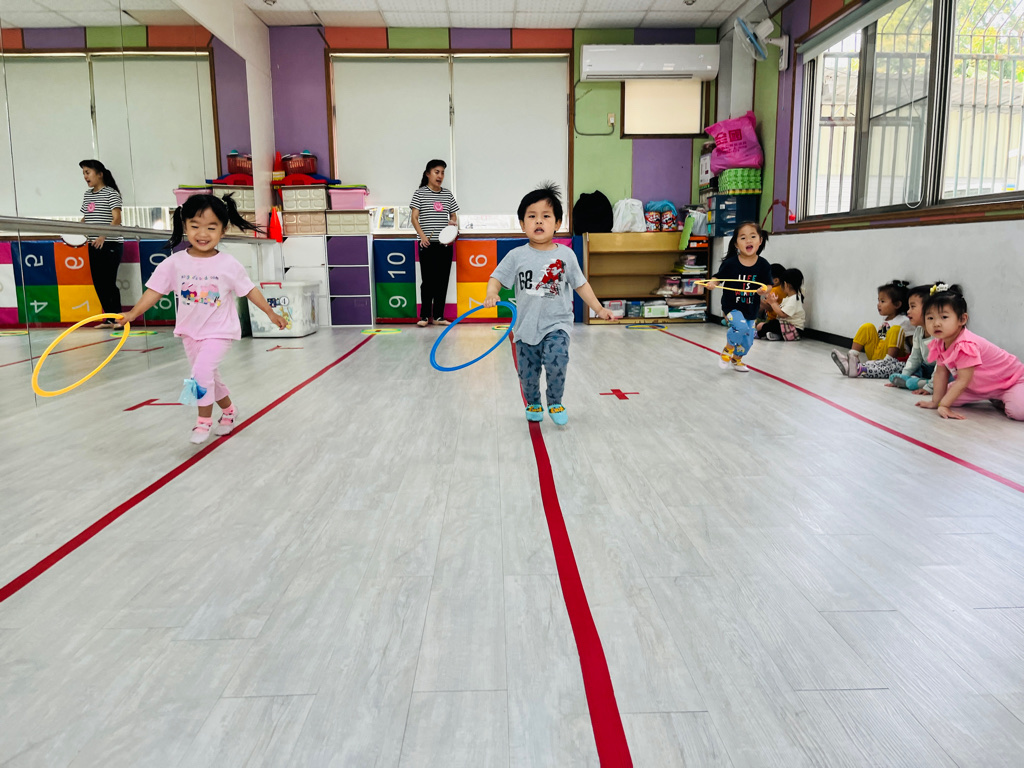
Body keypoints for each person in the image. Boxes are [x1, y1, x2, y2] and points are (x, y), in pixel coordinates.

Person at [115, 194, 287, 443]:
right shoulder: (175, 263)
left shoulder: (228, 264)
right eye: (195, 226)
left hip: (220, 331)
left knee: (202, 373)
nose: (202, 234)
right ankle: (229, 411)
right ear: (185, 226)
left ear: (223, 230)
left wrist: (270, 312)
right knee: (209, 377)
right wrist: (132, 314)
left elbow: (249, 290)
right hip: (190, 332)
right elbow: (154, 291)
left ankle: (203, 422)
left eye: (211, 227)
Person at [484, 183, 613, 424]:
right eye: (532, 216)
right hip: (525, 328)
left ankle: (555, 402)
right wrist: (492, 293)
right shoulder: (516, 256)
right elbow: (496, 278)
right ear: (522, 224)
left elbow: (581, 285)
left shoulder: (566, 255)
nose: (539, 221)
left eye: (546, 216)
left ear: (557, 223)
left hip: (557, 325)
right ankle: (533, 403)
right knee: (527, 374)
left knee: (557, 361)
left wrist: (599, 309)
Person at [916, 286, 1024, 421]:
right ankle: (996, 398)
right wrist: (936, 402)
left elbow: (963, 380)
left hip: (1011, 381)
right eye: (930, 318)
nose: (936, 323)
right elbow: (941, 373)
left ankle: (1004, 396)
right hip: (977, 387)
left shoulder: (965, 345)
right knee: (945, 396)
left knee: (1019, 412)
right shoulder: (940, 343)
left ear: (962, 319)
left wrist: (943, 405)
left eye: (944, 317)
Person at [705, 221, 772, 371]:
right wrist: (713, 283)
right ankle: (728, 349)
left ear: (760, 241)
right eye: (743, 238)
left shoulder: (763, 265)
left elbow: (768, 285)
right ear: (736, 244)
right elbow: (718, 277)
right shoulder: (730, 264)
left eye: (753, 236)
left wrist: (764, 290)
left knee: (748, 340)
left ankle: (737, 359)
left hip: (751, 308)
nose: (748, 240)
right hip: (732, 306)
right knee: (740, 327)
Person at [410, 159, 459, 328]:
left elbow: (453, 215)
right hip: (427, 244)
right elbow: (414, 218)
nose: (440, 176)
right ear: (428, 174)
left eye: (443, 173)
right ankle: (424, 316)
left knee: (442, 281)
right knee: (428, 282)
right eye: (437, 172)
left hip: (445, 245)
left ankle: (438, 316)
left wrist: (452, 223)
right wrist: (422, 236)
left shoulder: (447, 194)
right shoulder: (420, 193)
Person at [831, 280, 912, 378]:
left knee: (896, 329)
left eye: (882, 301)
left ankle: (886, 362)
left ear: (897, 304)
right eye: (878, 301)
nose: (878, 304)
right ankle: (852, 359)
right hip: (877, 354)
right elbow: (881, 339)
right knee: (867, 327)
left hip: (894, 360)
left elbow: (913, 342)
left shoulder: (904, 320)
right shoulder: (886, 320)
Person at [79, 160, 124, 328]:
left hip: (110, 244)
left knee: (109, 282)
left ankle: (118, 318)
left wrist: (103, 236)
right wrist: (74, 230)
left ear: (99, 174)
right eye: (83, 173)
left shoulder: (111, 193)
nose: (85, 176)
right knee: (99, 283)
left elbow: (117, 219)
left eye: (88, 172)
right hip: (93, 244)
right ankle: (109, 318)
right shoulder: (87, 195)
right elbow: (86, 218)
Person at [882, 283, 938, 390]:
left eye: (913, 307)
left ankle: (929, 383)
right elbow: (915, 357)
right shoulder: (919, 331)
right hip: (929, 368)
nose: (908, 311)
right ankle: (911, 380)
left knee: (949, 375)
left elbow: (942, 364)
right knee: (919, 367)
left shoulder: (939, 334)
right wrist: (904, 375)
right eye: (909, 307)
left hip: (943, 370)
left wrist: (930, 387)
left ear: (930, 309)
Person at [757, 267, 804, 340]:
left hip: (794, 330)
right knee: (771, 323)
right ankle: (777, 336)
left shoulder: (794, 299)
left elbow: (782, 314)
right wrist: (774, 302)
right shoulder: (790, 298)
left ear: (786, 284)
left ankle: (758, 334)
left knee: (773, 324)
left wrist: (773, 303)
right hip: (788, 328)